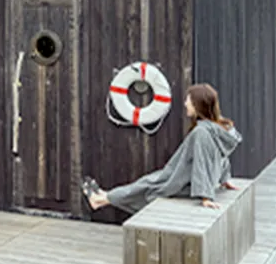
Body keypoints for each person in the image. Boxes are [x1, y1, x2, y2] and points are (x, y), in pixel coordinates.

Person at [82, 83, 241, 213]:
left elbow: (202, 162)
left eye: (188, 100)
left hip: (185, 183)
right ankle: (104, 197)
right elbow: (222, 156)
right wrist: (225, 179)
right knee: (147, 182)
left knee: (148, 186)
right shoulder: (220, 127)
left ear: (198, 105)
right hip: (188, 178)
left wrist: (206, 197)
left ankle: (101, 199)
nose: (185, 103)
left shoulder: (202, 132)